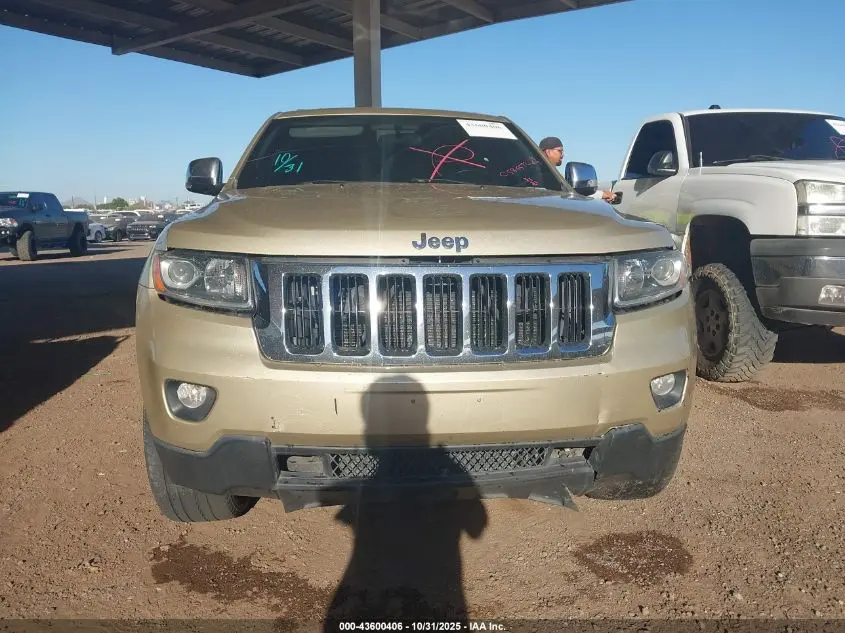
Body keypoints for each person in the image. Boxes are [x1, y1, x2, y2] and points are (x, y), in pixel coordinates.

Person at [538, 136, 617, 202]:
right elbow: (571, 193)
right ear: (548, 152)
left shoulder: (541, 172)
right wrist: (603, 194)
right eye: (560, 151)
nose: (562, 155)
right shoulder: (546, 176)